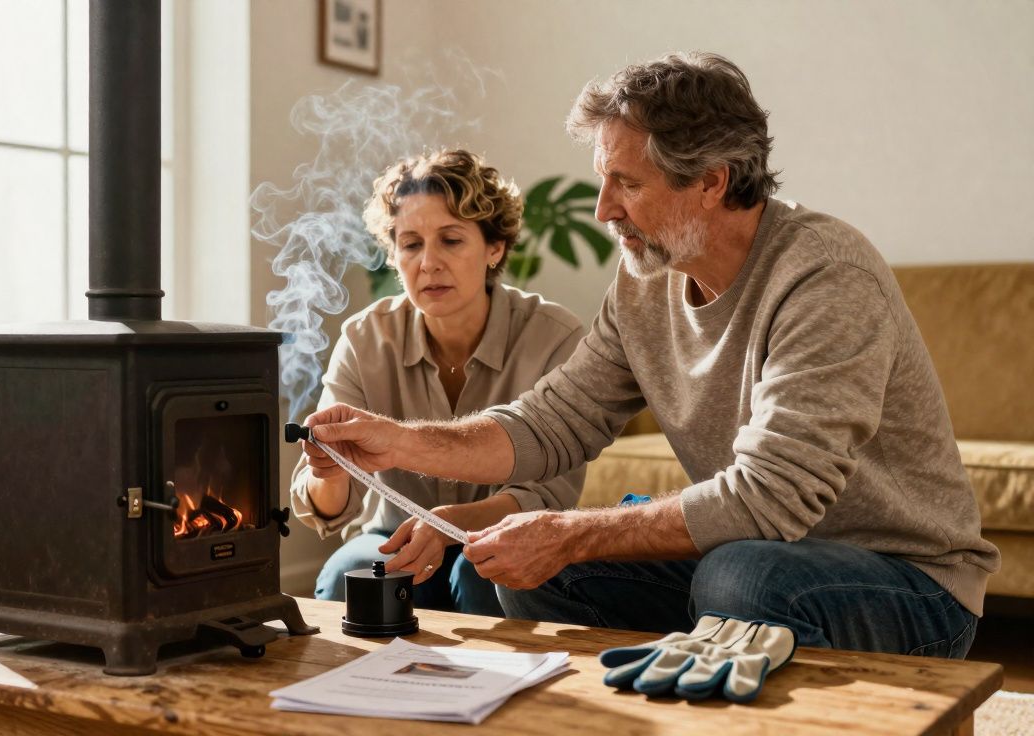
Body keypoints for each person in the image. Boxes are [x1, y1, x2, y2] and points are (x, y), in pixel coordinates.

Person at [302, 53, 999, 657]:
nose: (604, 208)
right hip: (750, 550)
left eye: (628, 184)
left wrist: (571, 535)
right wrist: (397, 442)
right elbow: (550, 424)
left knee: (738, 579)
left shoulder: (825, 276)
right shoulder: (646, 281)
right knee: (501, 566)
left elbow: (772, 499)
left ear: (712, 180)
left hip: (907, 581)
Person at [289, 148, 586, 616]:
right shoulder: (366, 338)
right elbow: (327, 509)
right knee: (362, 572)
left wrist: (452, 524)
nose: (428, 263)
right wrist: (329, 474)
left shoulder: (553, 336)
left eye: (450, 240)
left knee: (482, 572)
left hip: (498, 534)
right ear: (394, 255)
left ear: (495, 247)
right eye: (410, 244)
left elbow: (550, 493)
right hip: (392, 536)